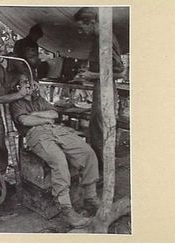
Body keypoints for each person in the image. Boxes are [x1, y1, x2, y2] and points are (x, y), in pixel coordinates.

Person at [10, 76, 101, 228]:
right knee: (59, 161)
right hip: (35, 134)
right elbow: (25, 121)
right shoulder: (17, 103)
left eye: (31, 82)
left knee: (87, 152)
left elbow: (55, 115)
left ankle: (90, 197)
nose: (31, 85)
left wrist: (35, 115)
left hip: (55, 130)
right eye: (26, 83)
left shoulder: (39, 100)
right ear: (18, 87)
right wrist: (43, 118)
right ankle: (66, 209)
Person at [73, 7, 125, 170]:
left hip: (106, 90)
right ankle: (99, 168)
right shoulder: (97, 39)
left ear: (92, 22)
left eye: (82, 28)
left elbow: (119, 72)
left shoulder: (106, 38)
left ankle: (105, 170)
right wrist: (88, 73)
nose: (81, 32)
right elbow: (104, 68)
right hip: (100, 88)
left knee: (101, 130)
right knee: (96, 128)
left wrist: (91, 76)